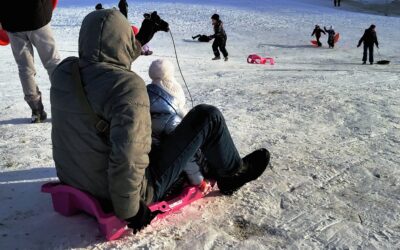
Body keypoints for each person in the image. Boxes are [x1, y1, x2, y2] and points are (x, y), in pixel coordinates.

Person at [51, 10, 270, 233]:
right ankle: (233, 174)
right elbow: (128, 156)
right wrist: (131, 210)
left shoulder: (64, 73)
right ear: (122, 40)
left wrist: (140, 40)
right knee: (207, 116)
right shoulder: (127, 87)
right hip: (128, 193)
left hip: (74, 179)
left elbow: (102, 57)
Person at [146, 59, 212, 193]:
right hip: (164, 167)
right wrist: (199, 180)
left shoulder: (147, 95)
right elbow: (184, 153)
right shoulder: (171, 119)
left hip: (151, 159)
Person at [0, 0, 61, 123]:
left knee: (25, 68)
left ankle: (36, 110)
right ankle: (65, 104)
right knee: (53, 62)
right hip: (37, 17)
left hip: (12, 21)